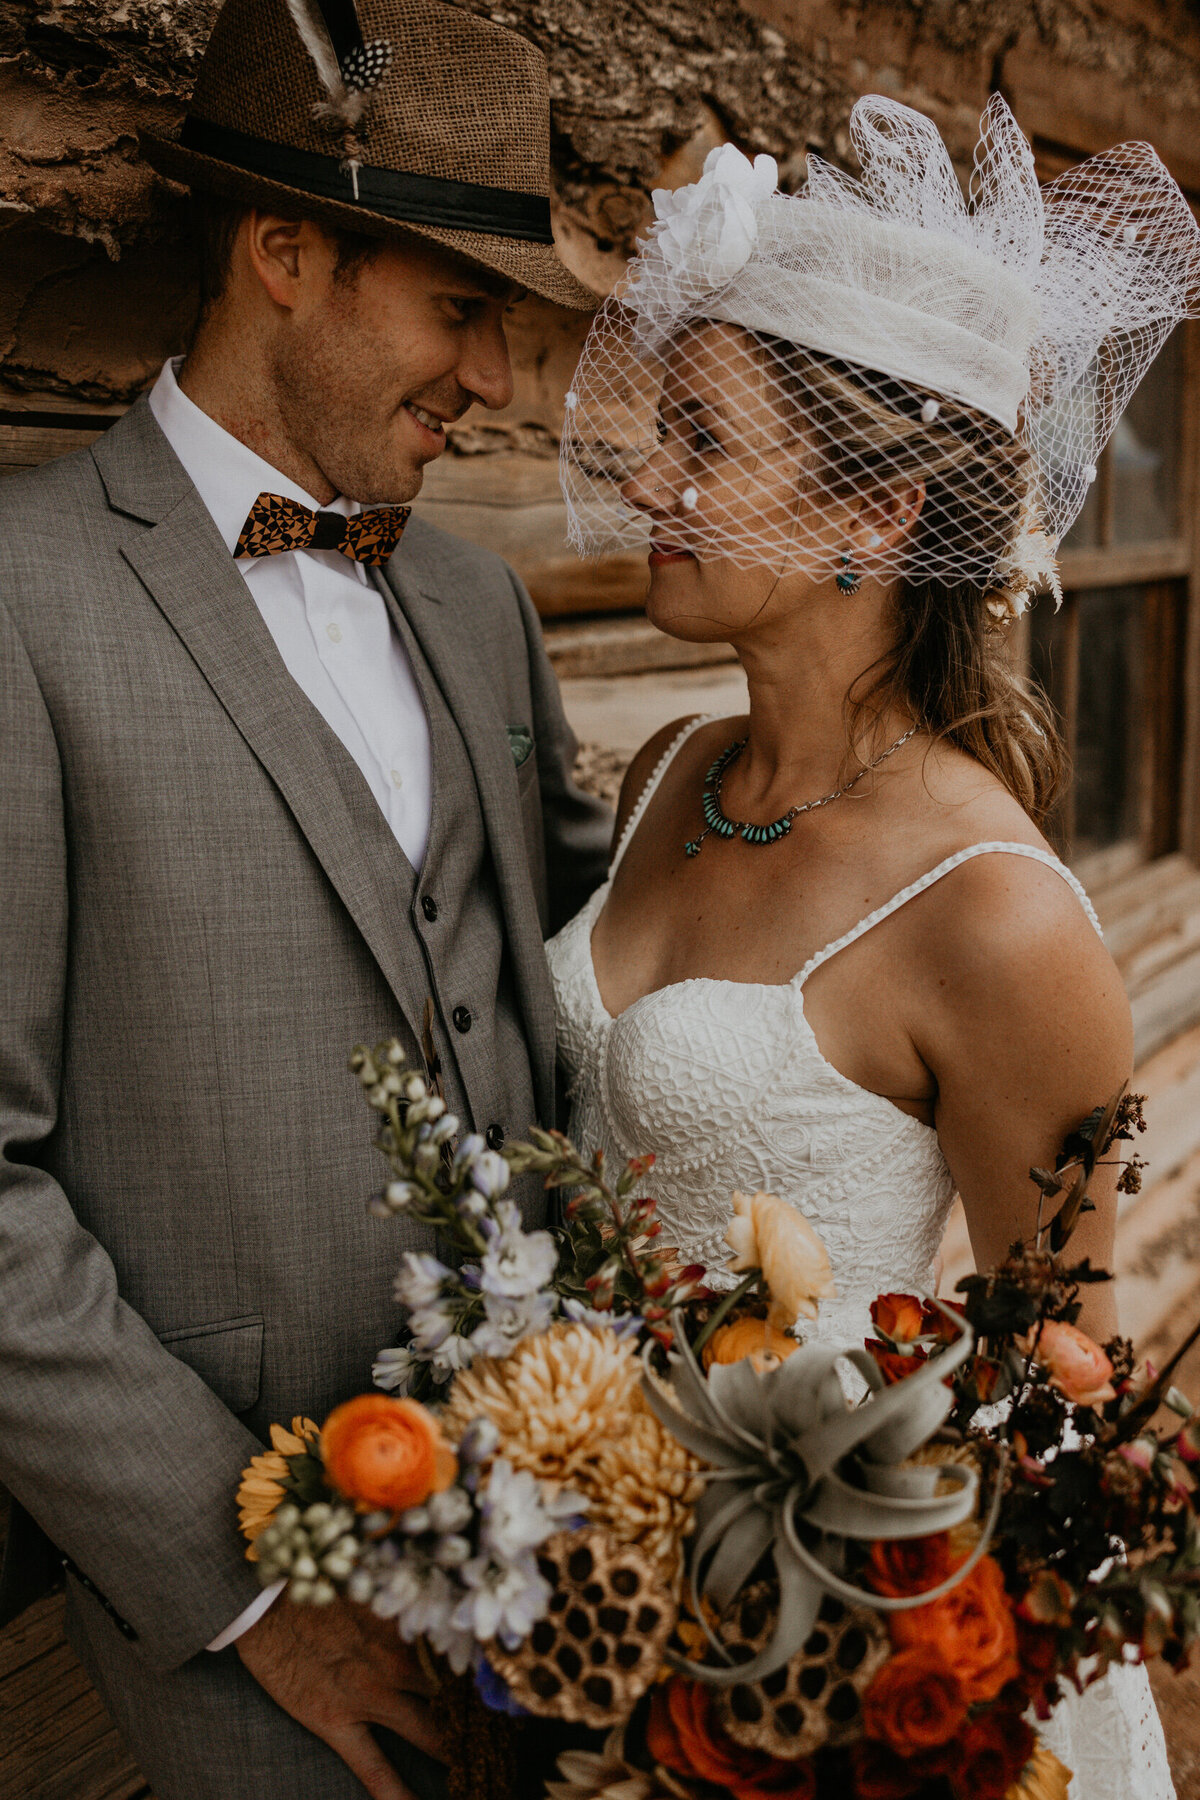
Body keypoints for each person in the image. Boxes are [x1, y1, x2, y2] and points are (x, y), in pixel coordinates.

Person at [551, 95, 1200, 1796]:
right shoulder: (678, 769)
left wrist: (904, 1668)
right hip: (584, 1589)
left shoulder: (993, 911)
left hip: (824, 1654)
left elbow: (1066, 1345)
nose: (649, 478)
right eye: (659, 426)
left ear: (879, 516)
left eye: (705, 439)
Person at [0, 2, 608, 1797]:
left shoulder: (485, 608)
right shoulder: (21, 601)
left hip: (550, 1555)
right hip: (233, 1604)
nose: (492, 378)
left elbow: (567, 1000)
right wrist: (248, 1585)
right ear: (284, 255)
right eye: (458, 307)